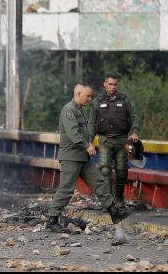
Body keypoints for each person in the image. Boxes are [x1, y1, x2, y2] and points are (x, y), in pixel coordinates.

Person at [46, 83, 130, 233]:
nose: (90, 99)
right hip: (71, 157)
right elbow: (73, 134)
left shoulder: (79, 110)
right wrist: (87, 145)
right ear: (78, 94)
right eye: (88, 96)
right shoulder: (69, 110)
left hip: (83, 157)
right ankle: (52, 220)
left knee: (99, 182)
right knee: (66, 189)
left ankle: (114, 212)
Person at [90, 74, 140, 207]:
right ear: (104, 84)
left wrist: (134, 132)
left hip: (122, 140)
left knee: (121, 170)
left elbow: (134, 117)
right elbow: (92, 123)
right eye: (110, 84)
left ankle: (119, 197)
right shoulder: (97, 101)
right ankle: (108, 201)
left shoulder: (125, 100)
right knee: (105, 170)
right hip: (105, 140)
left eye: (115, 84)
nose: (113, 87)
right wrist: (89, 141)